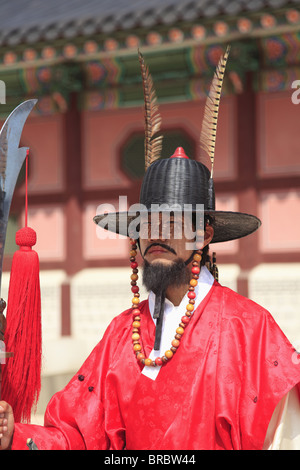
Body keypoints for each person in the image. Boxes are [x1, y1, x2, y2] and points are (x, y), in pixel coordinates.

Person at [0, 49, 300, 450]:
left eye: (174, 221)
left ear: (205, 234)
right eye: (148, 223)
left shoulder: (251, 331)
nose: (157, 234)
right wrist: (13, 438)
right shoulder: (123, 335)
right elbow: (72, 436)